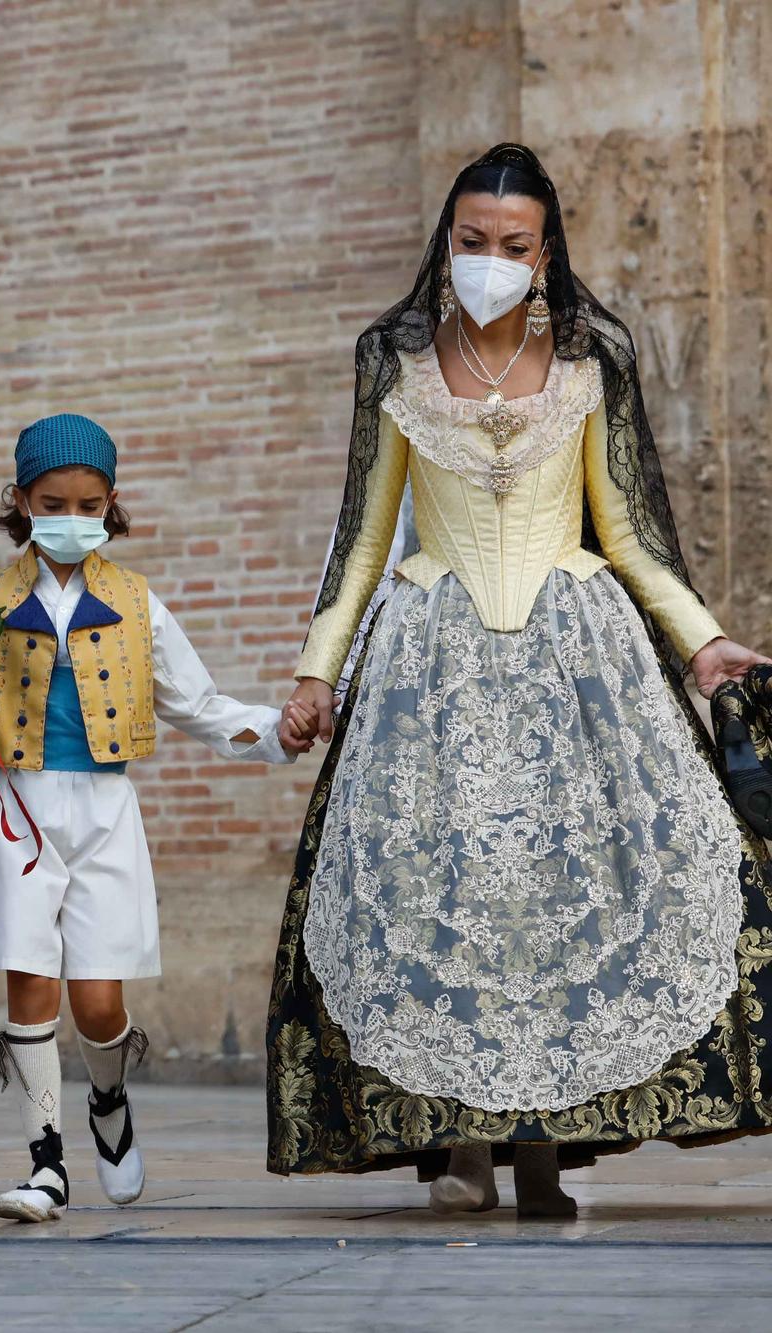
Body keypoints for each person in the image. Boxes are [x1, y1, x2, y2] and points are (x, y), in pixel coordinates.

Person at [269, 144, 772, 1216]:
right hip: (429, 655)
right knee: (436, 887)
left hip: (573, 649)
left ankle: (541, 1150)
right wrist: (317, 673)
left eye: (510, 244)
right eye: (468, 241)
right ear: (443, 241)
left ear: (543, 255)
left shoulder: (592, 361)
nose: (486, 259)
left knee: (557, 892)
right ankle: (457, 1147)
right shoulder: (393, 359)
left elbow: (627, 527)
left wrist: (701, 640)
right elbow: (362, 539)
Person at [0, 414, 307, 1223]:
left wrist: (277, 729)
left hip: (105, 806)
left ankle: (108, 1097)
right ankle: (44, 1164)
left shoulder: (135, 601)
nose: (71, 515)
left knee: (99, 1001)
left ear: (112, 503)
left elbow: (197, 704)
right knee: (28, 975)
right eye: (53, 501)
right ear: (22, 500)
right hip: (15, 806)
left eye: (89, 502)